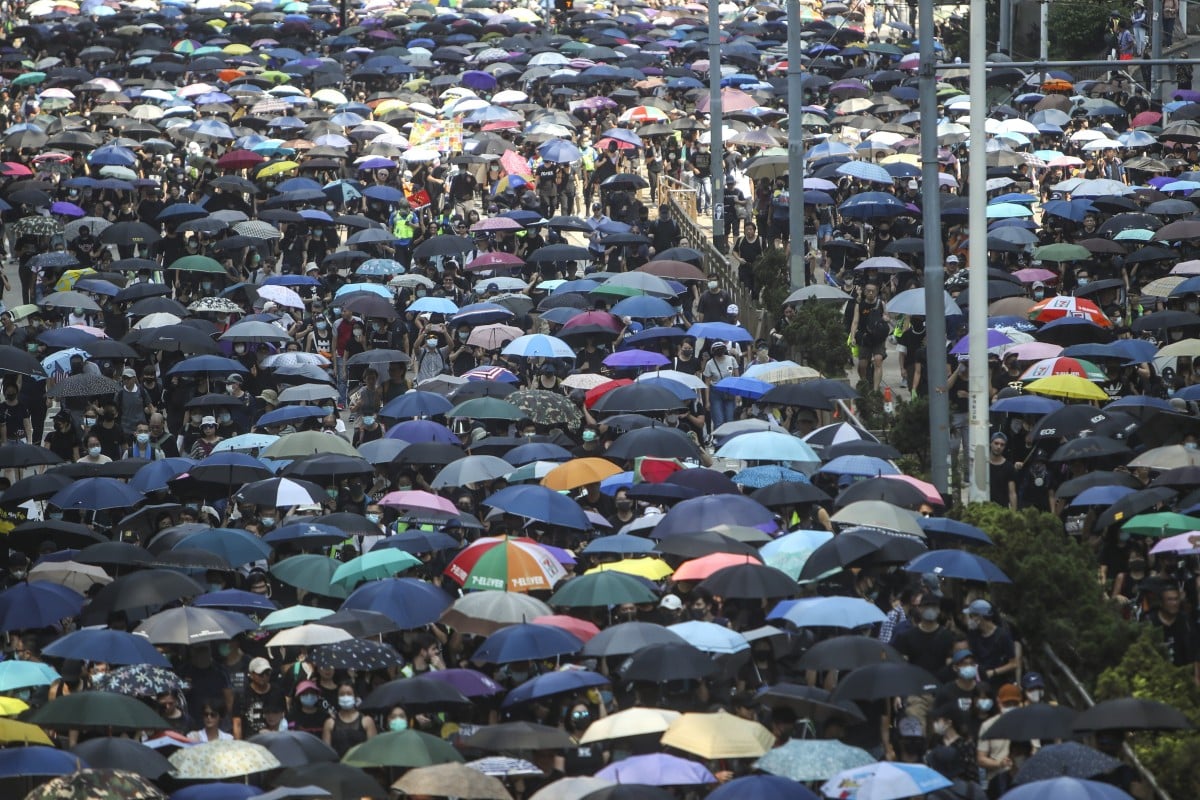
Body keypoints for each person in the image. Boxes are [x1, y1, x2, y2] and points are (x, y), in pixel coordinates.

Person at [323, 683, 377, 756]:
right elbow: (326, 754)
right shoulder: (330, 723)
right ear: (337, 697)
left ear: (355, 697)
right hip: (338, 766)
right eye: (342, 694)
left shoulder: (367, 721)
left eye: (349, 694)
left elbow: (373, 750)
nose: (345, 697)